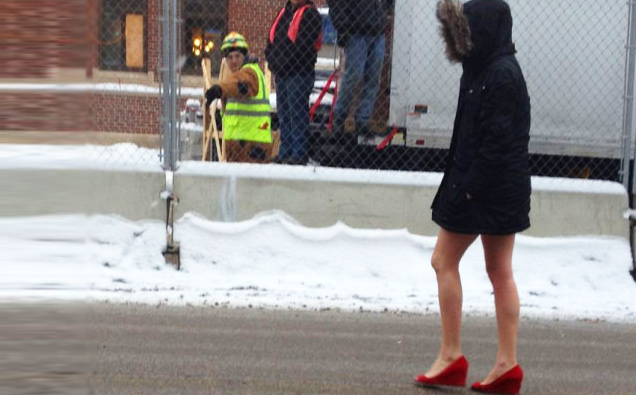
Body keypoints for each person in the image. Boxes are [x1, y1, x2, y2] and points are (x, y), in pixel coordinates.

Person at [413, 1, 531, 394]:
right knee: (499, 272)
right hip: (494, 187)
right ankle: (504, 365)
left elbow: (496, 144)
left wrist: (466, 188)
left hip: (486, 188)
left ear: (485, 29)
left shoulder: (500, 75)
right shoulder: (482, 69)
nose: (464, 37)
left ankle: (454, 357)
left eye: (469, 27)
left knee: (444, 260)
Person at [265, 0, 322, 165]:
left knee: (296, 113)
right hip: (282, 74)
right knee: (284, 114)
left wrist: (280, 63)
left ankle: (298, 154)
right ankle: (286, 152)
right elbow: (271, 40)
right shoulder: (284, 13)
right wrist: (273, 62)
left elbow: (302, 48)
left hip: (299, 74)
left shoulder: (310, 14)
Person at [326, 0, 393, 137]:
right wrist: (344, 26)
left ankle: (363, 119)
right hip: (356, 31)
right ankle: (339, 117)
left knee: (374, 78)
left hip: (377, 31)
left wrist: (384, 10)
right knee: (353, 75)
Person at [205, 32, 272, 163]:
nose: (234, 61)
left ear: (244, 55)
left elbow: (240, 84)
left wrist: (219, 89)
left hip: (252, 146)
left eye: (237, 56)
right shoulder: (238, 74)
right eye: (229, 57)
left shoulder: (249, 72)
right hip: (241, 146)